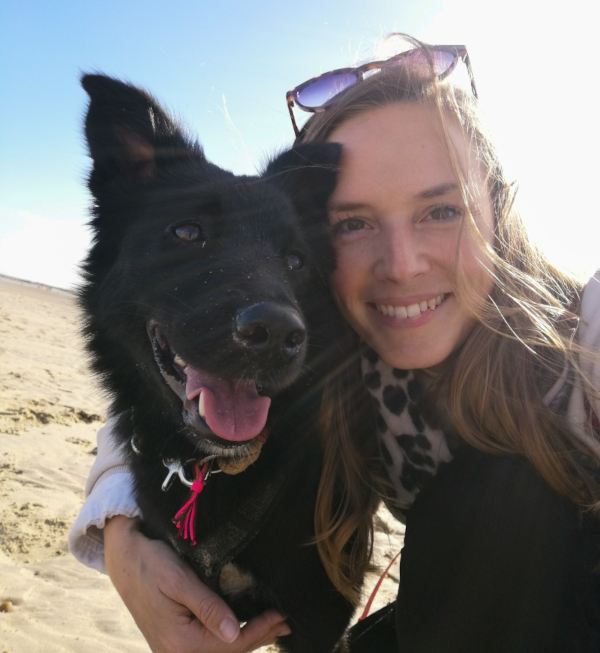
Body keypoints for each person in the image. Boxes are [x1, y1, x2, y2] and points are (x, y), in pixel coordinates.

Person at [69, 36, 600, 652]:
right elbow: (142, 406)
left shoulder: (582, 346)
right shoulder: (348, 355)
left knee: (501, 498)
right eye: (353, 222)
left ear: (497, 209)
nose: (401, 265)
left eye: (441, 210)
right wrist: (121, 537)